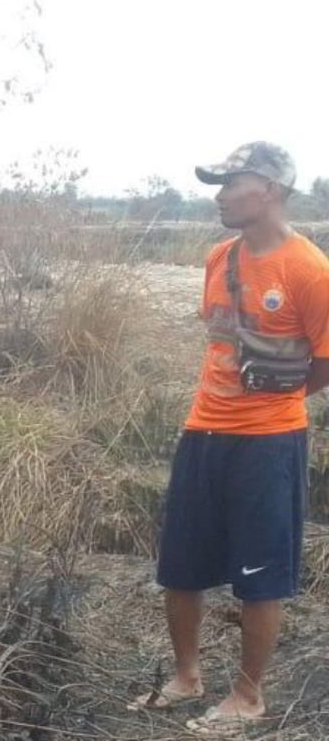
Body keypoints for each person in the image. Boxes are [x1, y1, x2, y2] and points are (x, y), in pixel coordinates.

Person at [131, 142, 329, 734]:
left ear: (267, 190)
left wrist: (275, 400)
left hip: (269, 443)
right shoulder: (221, 257)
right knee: (180, 566)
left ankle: (248, 696)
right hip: (203, 431)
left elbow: (325, 361)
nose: (218, 196)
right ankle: (186, 677)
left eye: (228, 184)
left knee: (260, 574)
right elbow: (220, 341)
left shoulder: (310, 271)